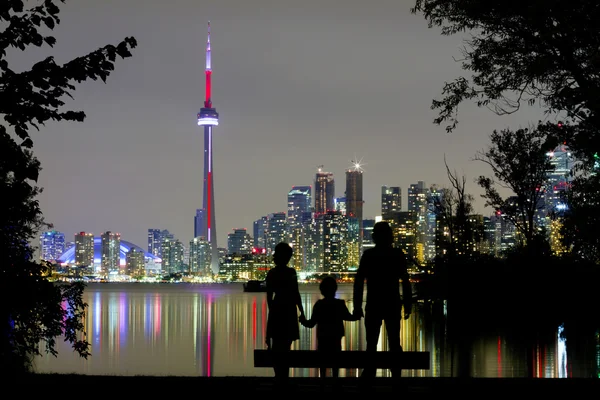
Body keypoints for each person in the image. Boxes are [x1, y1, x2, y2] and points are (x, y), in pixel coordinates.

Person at [352, 221, 412, 379]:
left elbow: (358, 282)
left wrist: (357, 306)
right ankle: (396, 376)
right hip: (392, 303)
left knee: (371, 342)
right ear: (390, 237)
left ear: (374, 238)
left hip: (374, 303)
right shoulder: (397, 255)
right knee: (394, 341)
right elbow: (405, 281)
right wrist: (408, 304)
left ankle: (370, 375)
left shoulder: (369, 256)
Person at [299, 276, 360, 378]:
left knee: (322, 363)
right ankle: (335, 384)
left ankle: (323, 385)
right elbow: (349, 317)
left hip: (323, 337)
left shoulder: (319, 305)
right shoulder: (339, 304)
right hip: (336, 336)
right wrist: (357, 313)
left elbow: (311, 323)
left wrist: (303, 320)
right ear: (335, 289)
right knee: (335, 363)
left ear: (322, 290)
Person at [265, 242, 305, 380]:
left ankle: (279, 377)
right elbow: (296, 293)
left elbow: (269, 297)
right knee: (286, 347)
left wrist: (273, 313)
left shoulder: (271, 273)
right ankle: (284, 377)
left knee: (277, 347)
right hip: (289, 310)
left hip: (277, 310)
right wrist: (302, 312)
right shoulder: (291, 272)